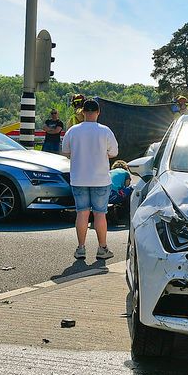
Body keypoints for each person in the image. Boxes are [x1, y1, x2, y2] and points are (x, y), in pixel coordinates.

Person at [62, 99, 118, 261]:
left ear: (83, 112)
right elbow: (114, 152)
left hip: (79, 178)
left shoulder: (73, 131)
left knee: (82, 213)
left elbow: (66, 151)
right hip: (100, 179)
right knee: (100, 214)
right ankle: (102, 248)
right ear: (98, 112)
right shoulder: (105, 131)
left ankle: (81, 248)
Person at [107, 159, 132, 224]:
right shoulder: (125, 173)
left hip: (103, 196)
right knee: (131, 189)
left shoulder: (109, 172)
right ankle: (127, 213)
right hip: (114, 195)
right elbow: (127, 185)